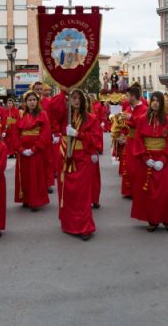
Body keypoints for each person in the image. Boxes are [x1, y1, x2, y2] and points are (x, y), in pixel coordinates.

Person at [57, 89, 101, 241]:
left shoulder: (91, 118)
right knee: (68, 194)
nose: (76, 101)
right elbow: (51, 110)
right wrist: (63, 91)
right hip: (66, 158)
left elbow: (96, 139)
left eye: (78, 98)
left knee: (82, 196)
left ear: (83, 101)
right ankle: (69, 224)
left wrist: (78, 134)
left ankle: (85, 227)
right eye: (73, 98)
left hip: (82, 161)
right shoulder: (65, 118)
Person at [131, 91, 168, 232]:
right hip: (147, 160)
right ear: (150, 102)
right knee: (149, 192)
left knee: (165, 192)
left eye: (158, 100)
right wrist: (145, 159)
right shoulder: (141, 119)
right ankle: (152, 219)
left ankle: (167, 220)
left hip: (162, 160)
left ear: (162, 103)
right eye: (153, 100)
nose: (155, 103)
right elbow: (138, 140)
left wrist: (163, 160)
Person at [12, 90, 51, 211]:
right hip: (23, 151)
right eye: (29, 100)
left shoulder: (43, 114)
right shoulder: (20, 115)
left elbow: (45, 133)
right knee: (24, 175)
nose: (32, 102)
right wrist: (20, 148)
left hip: (36, 151)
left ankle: (35, 200)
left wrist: (35, 148)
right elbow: (14, 132)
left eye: (34, 100)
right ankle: (25, 198)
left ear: (37, 101)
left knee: (35, 175)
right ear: (25, 102)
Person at [120, 85, 148, 198]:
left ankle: (138, 190)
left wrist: (131, 118)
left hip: (140, 141)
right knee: (128, 166)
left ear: (133, 96)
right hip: (129, 140)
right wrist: (121, 134)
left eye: (127, 96)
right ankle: (129, 190)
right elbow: (124, 124)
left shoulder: (144, 109)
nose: (126, 98)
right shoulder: (128, 109)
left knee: (138, 166)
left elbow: (143, 125)